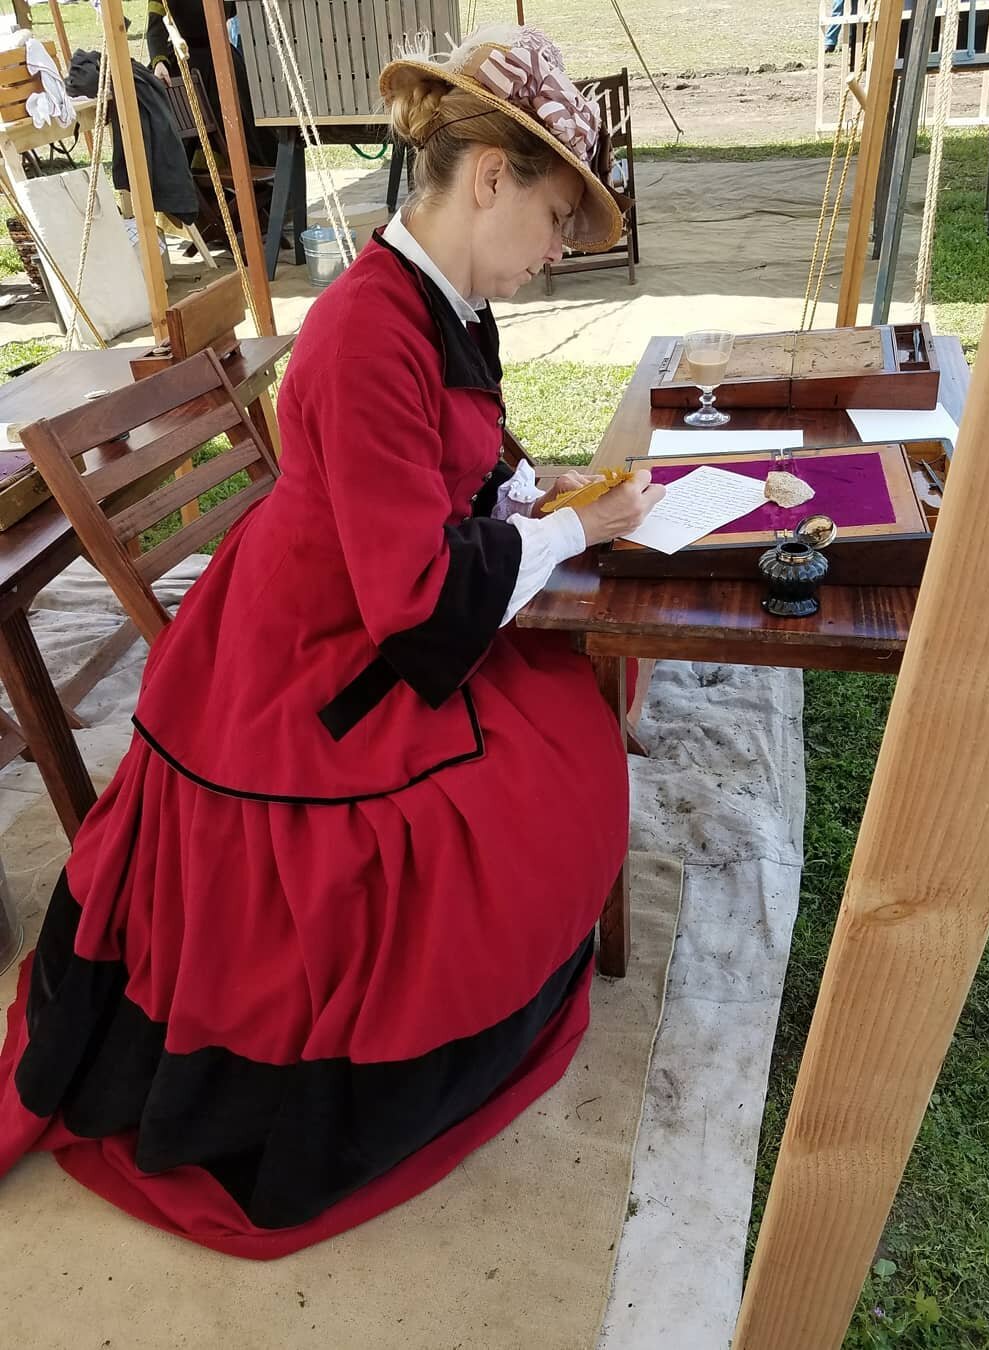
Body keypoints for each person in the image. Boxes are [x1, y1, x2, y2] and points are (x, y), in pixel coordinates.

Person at [0, 23, 664, 1259]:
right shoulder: (371, 328)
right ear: (488, 179)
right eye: (557, 219)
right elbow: (415, 598)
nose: (558, 251)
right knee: (523, 787)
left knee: (568, 717)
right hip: (315, 655)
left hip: (357, 595)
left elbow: (460, 466)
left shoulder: (439, 298)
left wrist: (539, 499)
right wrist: (576, 537)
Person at [146, 0, 276, 168]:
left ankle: (259, 179)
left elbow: (235, 8)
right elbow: (155, 27)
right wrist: (159, 61)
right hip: (188, 62)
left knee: (250, 127)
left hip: (224, 60)